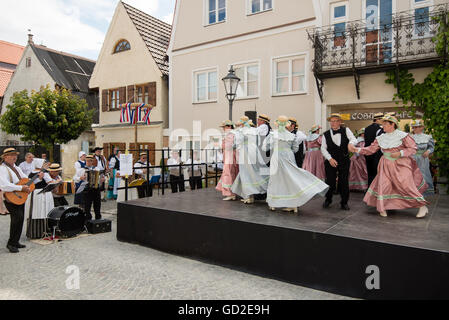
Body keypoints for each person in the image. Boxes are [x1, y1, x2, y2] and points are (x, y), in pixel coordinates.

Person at [349, 114, 429, 218]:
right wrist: (357, 149)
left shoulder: (403, 135)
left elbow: (413, 148)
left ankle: (422, 206)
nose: (383, 126)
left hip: (401, 164)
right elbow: (371, 149)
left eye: (385, 124)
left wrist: (400, 153)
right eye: (383, 124)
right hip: (385, 164)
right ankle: (382, 207)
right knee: (384, 185)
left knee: (406, 185)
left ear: (393, 125)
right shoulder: (380, 138)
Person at [263, 116, 329, 213]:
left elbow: (265, 147)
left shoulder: (273, 134)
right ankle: (292, 204)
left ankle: (274, 203)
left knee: (276, 179)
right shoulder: (292, 135)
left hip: (277, 157)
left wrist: (275, 146)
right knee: (291, 178)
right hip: (289, 156)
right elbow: (295, 149)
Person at [321, 113, 358, 211]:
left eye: (335, 121)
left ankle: (344, 202)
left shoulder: (346, 130)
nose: (333, 123)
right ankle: (328, 199)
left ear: (340, 122)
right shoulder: (326, 134)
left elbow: (354, 139)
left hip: (344, 160)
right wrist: (330, 159)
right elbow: (323, 149)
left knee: (344, 182)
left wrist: (351, 144)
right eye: (331, 121)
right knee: (330, 181)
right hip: (330, 161)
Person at [231, 116, 270, 204]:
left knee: (246, 173)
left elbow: (237, 143)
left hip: (245, 152)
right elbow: (259, 142)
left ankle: (249, 196)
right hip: (255, 151)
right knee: (255, 172)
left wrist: (233, 147)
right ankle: (252, 193)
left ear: (241, 123)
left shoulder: (240, 131)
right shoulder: (254, 130)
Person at [0, 148, 32, 253]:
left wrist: (37, 178)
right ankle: (10, 243)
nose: (15, 157)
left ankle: (16, 241)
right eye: (12, 155)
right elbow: (4, 185)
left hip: (19, 196)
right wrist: (21, 188)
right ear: (5, 157)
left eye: (15, 155)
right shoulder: (2, 169)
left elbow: (25, 179)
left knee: (20, 218)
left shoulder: (16, 168)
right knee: (16, 218)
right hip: (10, 197)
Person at [24, 158, 53, 240]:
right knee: (41, 211)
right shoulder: (43, 173)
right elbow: (49, 182)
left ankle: (34, 232)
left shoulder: (31, 173)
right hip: (42, 194)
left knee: (35, 211)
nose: (45, 165)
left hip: (34, 194)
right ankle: (42, 231)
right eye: (44, 163)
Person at [74, 155, 105, 221]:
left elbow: (100, 178)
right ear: (85, 161)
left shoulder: (96, 169)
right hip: (86, 190)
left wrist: (102, 179)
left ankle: (98, 218)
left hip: (96, 189)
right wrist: (80, 178)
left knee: (97, 205)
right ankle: (87, 220)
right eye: (87, 161)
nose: (88, 162)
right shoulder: (81, 170)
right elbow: (74, 178)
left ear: (92, 161)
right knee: (87, 206)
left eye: (90, 161)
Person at [410, 120, 435, 196]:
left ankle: (423, 193)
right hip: (413, 159)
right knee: (413, 175)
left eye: (417, 127)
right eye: (414, 127)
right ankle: (414, 194)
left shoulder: (427, 137)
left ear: (422, 127)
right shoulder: (410, 137)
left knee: (423, 175)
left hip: (423, 159)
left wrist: (428, 151)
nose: (415, 129)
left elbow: (431, 147)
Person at [216, 120, 239, 200]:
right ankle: (233, 192)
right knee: (232, 173)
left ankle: (230, 193)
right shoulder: (234, 134)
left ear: (229, 126)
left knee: (227, 174)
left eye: (224, 127)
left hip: (229, 156)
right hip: (232, 156)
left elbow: (228, 146)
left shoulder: (229, 134)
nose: (223, 129)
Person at [364, 112, 385, 186]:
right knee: (378, 174)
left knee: (370, 174)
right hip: (377, 154)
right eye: (382, 120)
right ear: (378, 120)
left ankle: (369, 190)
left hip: (367, 154)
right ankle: (376, 191)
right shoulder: (381, 129)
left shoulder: (366, 128)